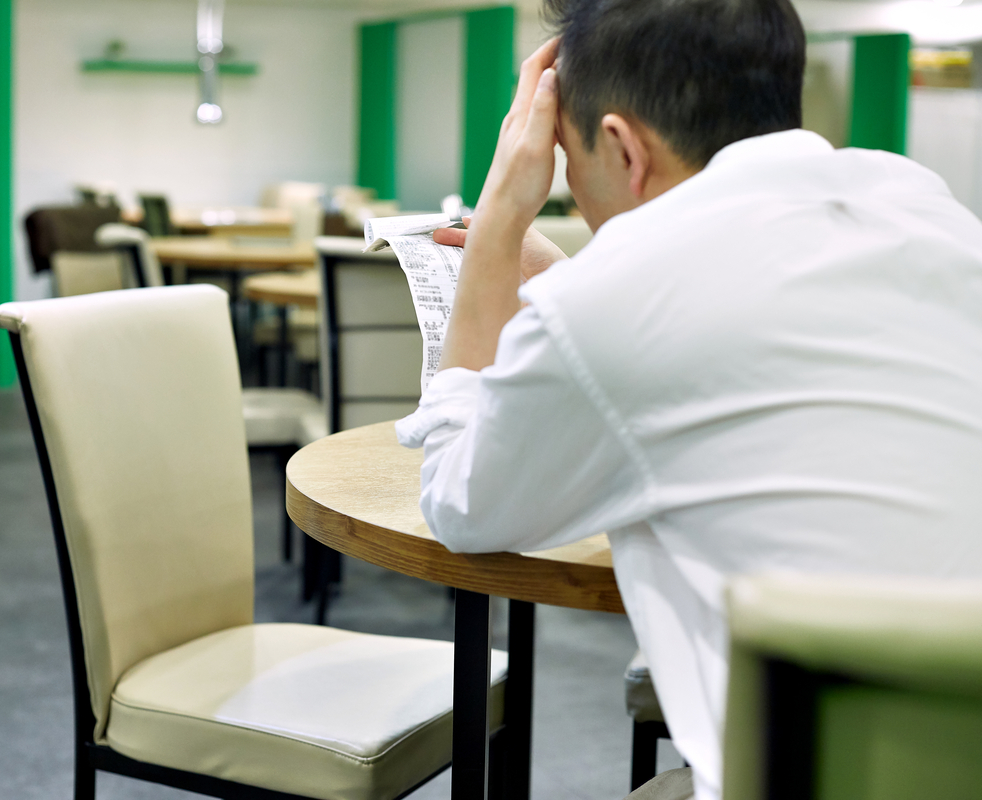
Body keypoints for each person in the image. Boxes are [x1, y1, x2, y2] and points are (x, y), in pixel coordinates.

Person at [395, 0, 982, 797]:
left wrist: (499, 217)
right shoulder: (927, 208)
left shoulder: (612, 301)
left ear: (623, 148)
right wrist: (574, 290)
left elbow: (460, 503)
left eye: (565, 156)